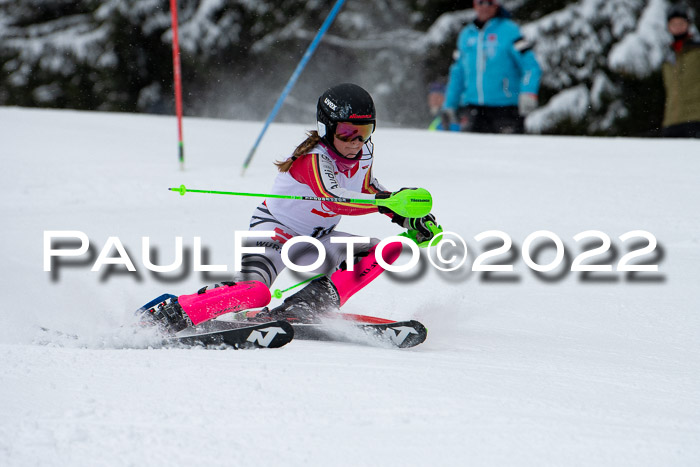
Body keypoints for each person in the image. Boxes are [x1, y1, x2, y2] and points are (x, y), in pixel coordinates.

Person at [235, 83, 440, 322]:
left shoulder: (363, 153)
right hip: (275, 232)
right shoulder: (312, 158)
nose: (355, 141)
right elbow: (333, 199)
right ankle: (191, 308)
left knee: (378, 251)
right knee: (252, 294)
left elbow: (367, 188)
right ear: (326, 128)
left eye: (364, 131)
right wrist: (389, 202)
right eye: (346, 132)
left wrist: (408, 216)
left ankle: (304, 306)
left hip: (318, 240)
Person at [442, 0, 541, 134]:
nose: (484, 7)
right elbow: (457, 72)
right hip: (473, 108)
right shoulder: (466, 35)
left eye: (489, 3)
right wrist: (450, 104)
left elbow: (531, 66)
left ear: (496, 5)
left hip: (505, 108)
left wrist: (528, 92)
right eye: (480, 2)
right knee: (471, 153)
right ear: (474, 5)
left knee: (507, 153)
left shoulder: (510, 31)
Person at [661, 3, 700, 138]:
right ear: (668, 26)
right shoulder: (667, 57)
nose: (677, 27)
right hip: (671, 121)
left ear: (687, 24)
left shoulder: (697, 51)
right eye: (674, 23)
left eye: (681, 23)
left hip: (696, 119)